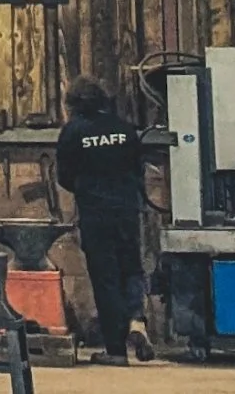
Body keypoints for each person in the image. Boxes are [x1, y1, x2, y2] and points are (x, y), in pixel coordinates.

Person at [55, 76, 153, 362]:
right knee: (132, 267)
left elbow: (64, 177)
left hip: (96, 214)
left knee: (106, 278)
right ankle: (137, 319)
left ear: (73, 104)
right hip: (127, 211)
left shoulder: (73, 132)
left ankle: (116, 349)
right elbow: (138, 169)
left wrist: (88, 189)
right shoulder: (125, 130)